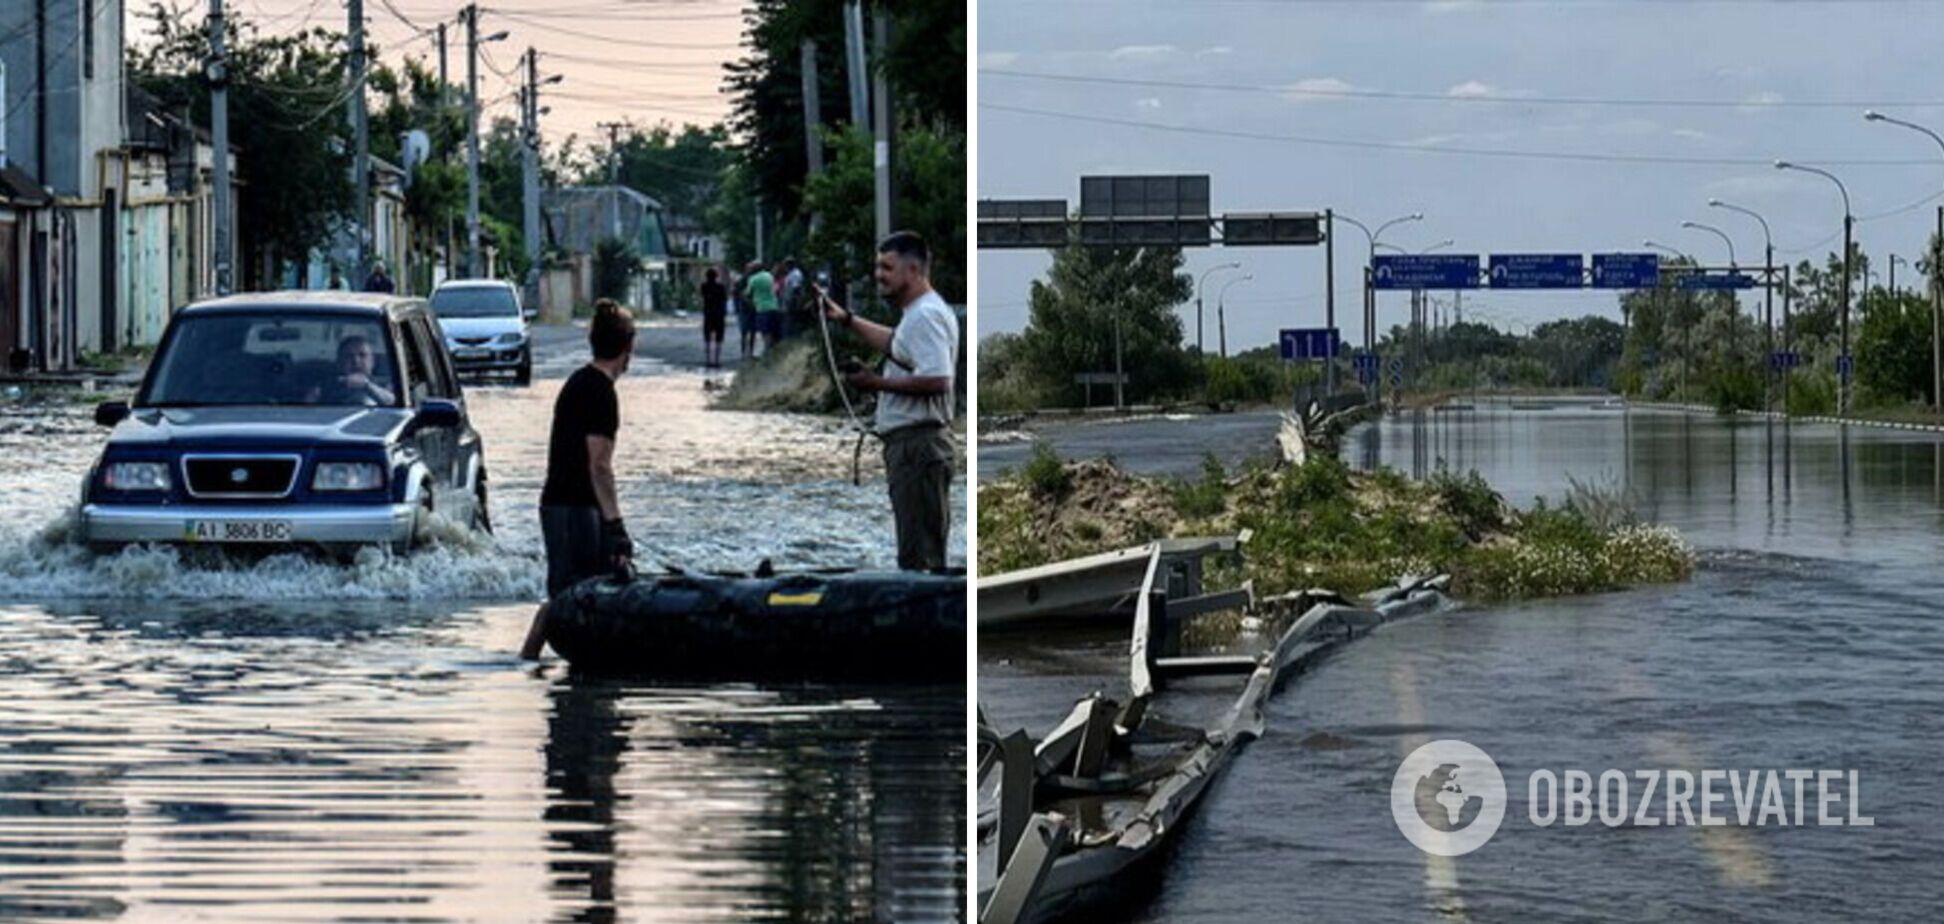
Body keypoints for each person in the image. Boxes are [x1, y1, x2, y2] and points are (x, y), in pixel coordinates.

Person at [819, 231, 958, 571]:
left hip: (918, 448)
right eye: (877, 267)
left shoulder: (925, 316)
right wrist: (847, 320)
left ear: (913, 270)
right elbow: (898, 345)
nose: (878, 275)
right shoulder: (918, 314)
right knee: (917, 549)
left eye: (887, 267)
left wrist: (874, 382)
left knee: (919, 558)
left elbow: (939, 380)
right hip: (913, 448)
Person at [520, 299, 637, 660]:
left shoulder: (581, 382)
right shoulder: (600, 392)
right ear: (627, 347)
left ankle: (553, 665)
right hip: (573, 508)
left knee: (585, 592)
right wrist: (616, 526)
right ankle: (526, 661)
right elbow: (599, 466)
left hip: (567, 505)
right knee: (570, 597)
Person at [310, 334, 396, 405]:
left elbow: (394, 403)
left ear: (372, 361)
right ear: (339, 362)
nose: (356, 361)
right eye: (348, 356)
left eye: (362, 355)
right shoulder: (324, 387)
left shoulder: (386, 385)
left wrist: (367, 386)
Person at [743, 260, 780, 353]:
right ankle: (772, 351)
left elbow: (747, 294)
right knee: (772, 331)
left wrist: (751, 303)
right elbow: (775, 289)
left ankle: (767, 351)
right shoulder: (769, 276)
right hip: (774, 306)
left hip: (762, 308)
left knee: (765, 332)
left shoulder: (753, 279)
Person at [699, 267, 728, 369]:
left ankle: (708, 360)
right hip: (719, 314)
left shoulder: (704, 286)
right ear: (716, 276)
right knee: (718, 338)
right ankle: (717, 360)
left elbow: (702, 297)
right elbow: (724, 299)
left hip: (708, 313)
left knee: (707, 337)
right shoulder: (721, 287)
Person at [732, 267, 757, 360]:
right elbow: (737, 295)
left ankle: (746, 353)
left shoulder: (747, 280)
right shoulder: (744, 281)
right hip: (747, 309)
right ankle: (747, 352)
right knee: (747, 332)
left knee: (746, 333)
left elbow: (736, 294)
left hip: (746, 310)